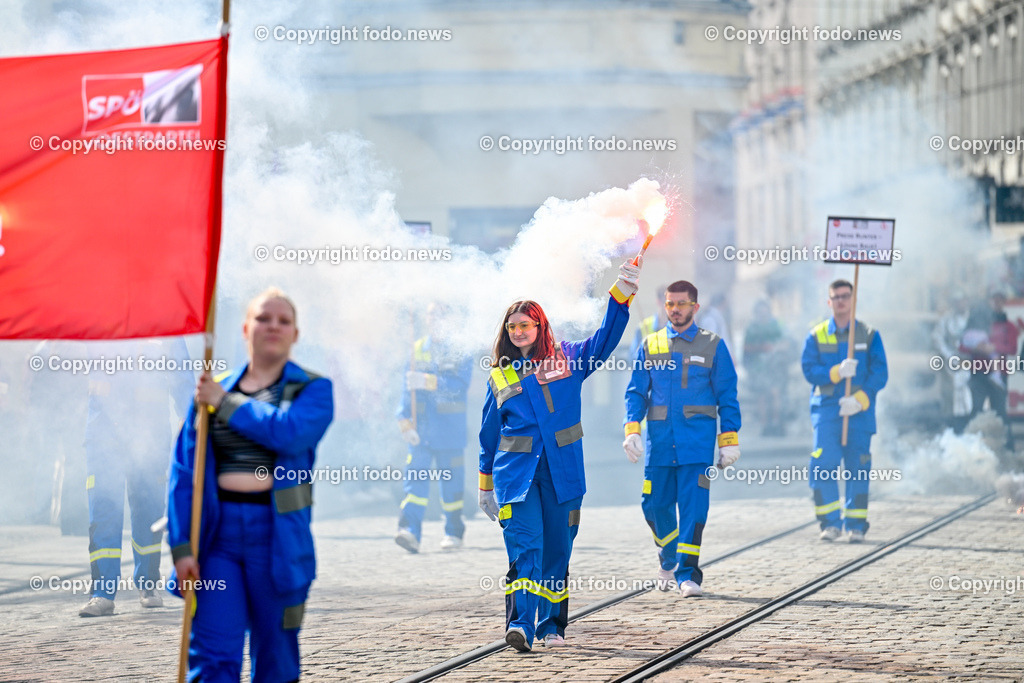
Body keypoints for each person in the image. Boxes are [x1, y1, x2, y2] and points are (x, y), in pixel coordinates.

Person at [167, 288, 334, 682]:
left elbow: (290, 435)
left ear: (295, 334)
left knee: (276, 658)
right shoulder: (210, 391)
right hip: (217, 540)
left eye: (283, 320)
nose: (273, 326)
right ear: (246, 328)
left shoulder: (312, 389)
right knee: (212, 656)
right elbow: (184, 471)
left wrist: (225, 403)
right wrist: (181, 547)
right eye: (263, 318)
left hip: (278, 540)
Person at [478, 261, 639, 652]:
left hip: (563, 476)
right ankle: (520, 625)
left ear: (540, 327)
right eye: (512, 327)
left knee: (556, 551)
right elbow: (488, 435)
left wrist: (622, 293)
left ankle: (551, 628)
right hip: (516, 479)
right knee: (525, 548)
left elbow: (605, 338)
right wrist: (485, 487)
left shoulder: (567, 360)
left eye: (525, 325)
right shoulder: (500, 374)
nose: (518, 332)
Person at [623, 280, 741, 597]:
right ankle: (670, 557)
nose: (675, 310)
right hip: (659, 445)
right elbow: (635, 393)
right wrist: (632, 429)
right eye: (670, 304)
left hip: (697, 446)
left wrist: (728, 439)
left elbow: (727, 395)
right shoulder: (651, 344)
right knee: (653, 506)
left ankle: (688, 575)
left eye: (682, 304)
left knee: (693, 512)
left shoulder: (713, 346)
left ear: (695, 307)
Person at [78, 338, 193, 617]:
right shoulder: (98, 321)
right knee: (103, 509)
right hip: (103, 433)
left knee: (148, 509)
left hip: (149, 434)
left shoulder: (166, 329)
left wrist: (190, 417)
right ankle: (102, 592)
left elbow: (182, 375)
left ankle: (148, 584)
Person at [800, 279, 887, 543]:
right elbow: (808, 370)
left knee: (858, 468)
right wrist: (836, 372)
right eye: (835, 297)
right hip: (827, 410)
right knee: (822, 465)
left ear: (853, 299)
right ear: (829, 302)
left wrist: (860, 399)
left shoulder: (869, 335)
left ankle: (856, 525)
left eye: (845, 296)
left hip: (859, 411)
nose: (841, 300)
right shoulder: (816, 335)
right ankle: (830, 523)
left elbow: (880, 373)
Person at [395, 305, 474, 553]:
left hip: (449, 432)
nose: (435, 319)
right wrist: (404, 421)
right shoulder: (416, 348)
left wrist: (429, 381)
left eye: (440, 314)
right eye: (431, 315)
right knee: (414, 484)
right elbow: (406, 388)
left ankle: (453, 532)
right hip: (421, 431)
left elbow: (460, 386)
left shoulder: (461, 349)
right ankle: (410, 531)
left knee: (451, 486)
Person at [743, 300, 788, 436]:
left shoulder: (776, 325)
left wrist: (776, 348)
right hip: (758, 367)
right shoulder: (752, 328)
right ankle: (764, 425)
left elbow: (786, 342)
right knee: (761, 395)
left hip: (775, 365)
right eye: (760, 312)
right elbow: (746, 348)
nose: (762, 314)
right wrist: (761, 348)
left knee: (775, 393)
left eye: (765, 311)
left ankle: (776, 422)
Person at [932, 293, 972, 433]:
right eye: (958, 301)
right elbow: (937, 338)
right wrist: (950, 356)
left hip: (971, 364)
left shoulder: (972, 318)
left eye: (963, 301)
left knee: (969, 400)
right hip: (951, 366)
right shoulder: (946, 320)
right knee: (951, 400)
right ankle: (952, 431)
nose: (961, 304)